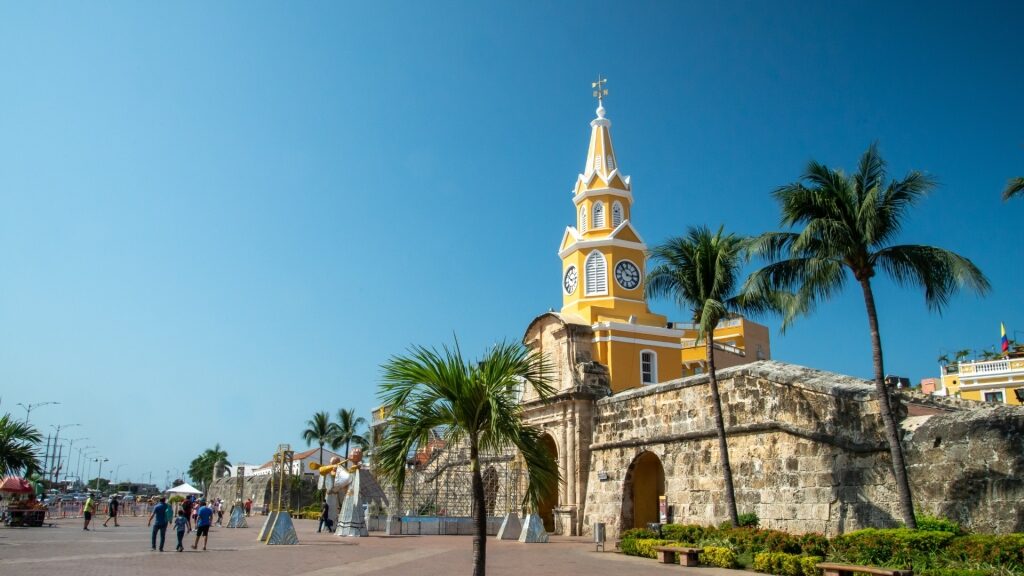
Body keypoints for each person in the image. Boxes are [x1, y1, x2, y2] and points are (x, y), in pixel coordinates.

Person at [335, 448, 368, 537]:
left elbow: (349, 476)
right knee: (350, 506)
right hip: (351, 491)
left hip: (354, 491)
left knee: (354, 506)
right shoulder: (354, 468)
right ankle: (347, 528)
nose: (349, 456)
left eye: (351, 454)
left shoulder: (355, 467)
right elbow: (347, 478)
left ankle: (352, 529)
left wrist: (340, 469)